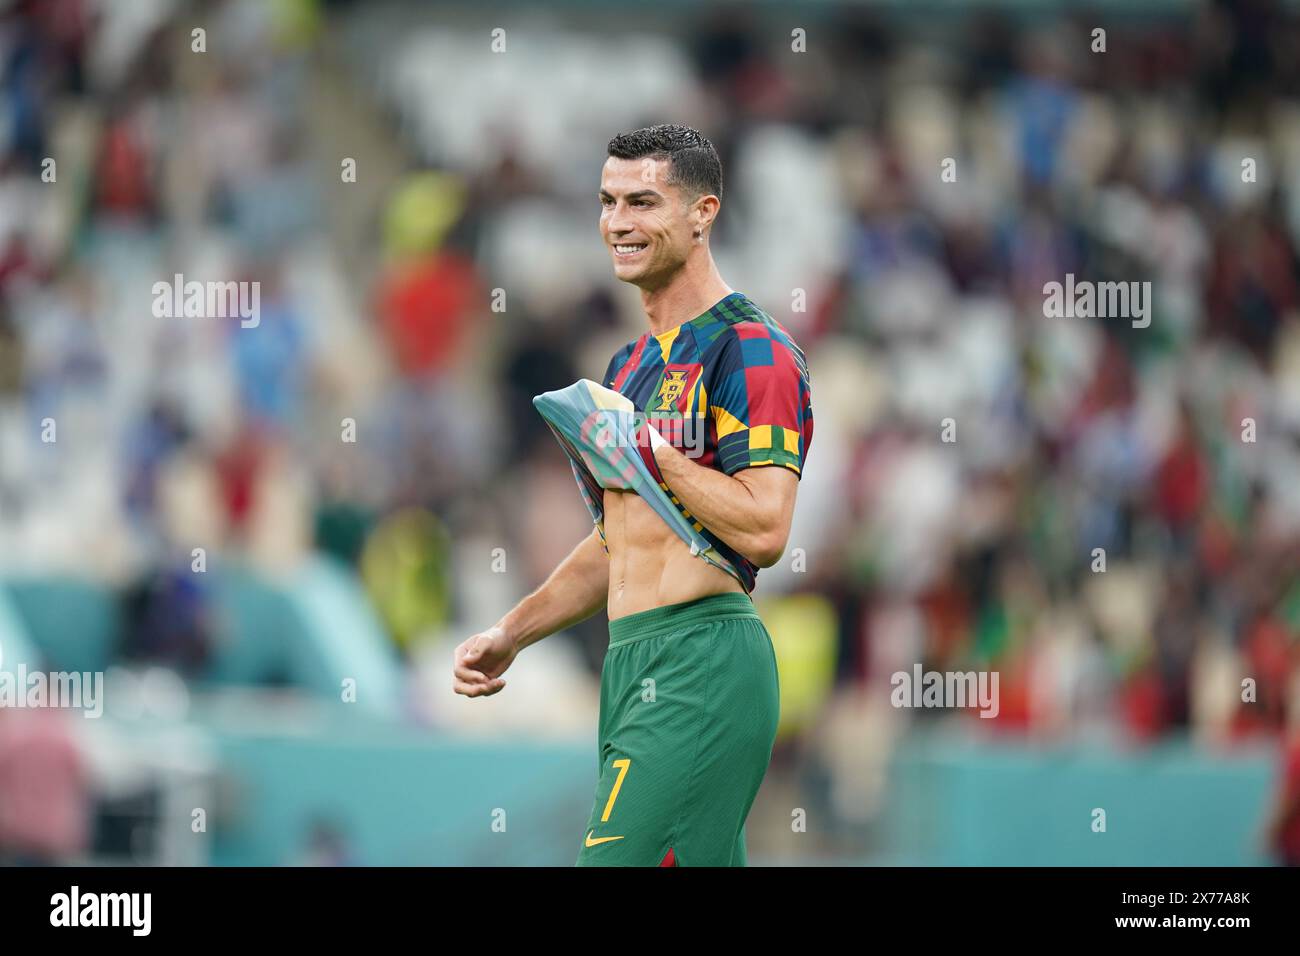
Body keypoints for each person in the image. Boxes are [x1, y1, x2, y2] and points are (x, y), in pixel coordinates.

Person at [452, 125, 813, 866]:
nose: (618, 222)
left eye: (643, 201)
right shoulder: (627, 367)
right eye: (608, 201)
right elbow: (619, 537)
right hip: (630, 664)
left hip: (702, 660)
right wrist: (512, 633)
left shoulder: (752, 349)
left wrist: (655, 452)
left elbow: (767, 527)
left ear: (702, 213)